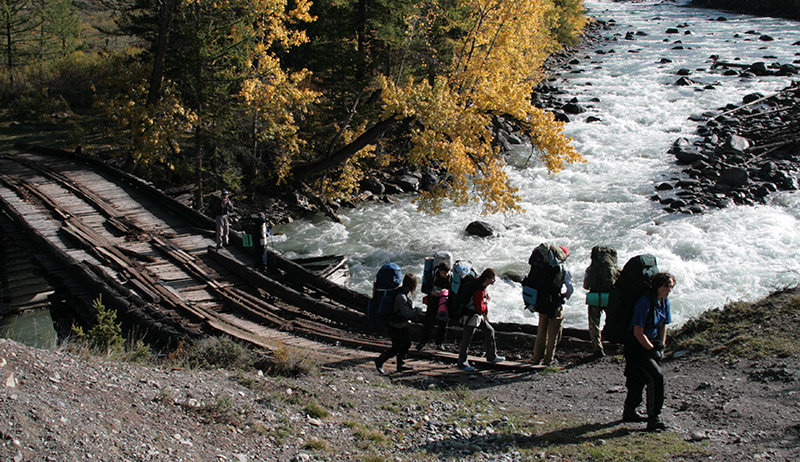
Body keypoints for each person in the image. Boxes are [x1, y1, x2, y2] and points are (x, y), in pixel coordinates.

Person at [623, 272, 675, 432]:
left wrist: (661, 346)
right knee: (655, 377)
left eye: (671, 287)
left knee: (639, 378)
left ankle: (630, 412)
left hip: (650, 345)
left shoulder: (664, 302)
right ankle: (654, 418)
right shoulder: (644, 302)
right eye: (666, 286)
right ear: (658, 286)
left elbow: (663, 325)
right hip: (637, 346)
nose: (669, 290)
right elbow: (638, 332)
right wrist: (651, 349)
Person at [530, 245, 573, 366]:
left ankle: (536, 357)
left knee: (541, 330)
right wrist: (564, 296)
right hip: (555, 302)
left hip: (542, 301)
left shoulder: (543, 266)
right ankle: (549, 359)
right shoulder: (562, 268)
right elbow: (570, 289)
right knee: (553, 332)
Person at [457, 268, 505, 372]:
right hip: (471, 316)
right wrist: (487, 302)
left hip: (477, 316)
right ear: (487, 278)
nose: (494, 281)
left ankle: (492, 357)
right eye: (493, 278)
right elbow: (479, 307)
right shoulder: (479, 289)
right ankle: (462, 363)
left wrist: (485, 313)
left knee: (490, 331)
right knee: (467, 340)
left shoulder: (481, 286)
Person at [375, 273, 423, 374]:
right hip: (395, 325)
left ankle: (400, 364)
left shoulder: (402, 292)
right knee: (396, 346)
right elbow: (407, 313)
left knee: (406, 343)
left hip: (400, 324)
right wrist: (417, 310)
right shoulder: (401, 297)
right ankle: (380, 361)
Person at [416, 262, 451, 351]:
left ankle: (440, 343)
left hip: (445, 302)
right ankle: (423, 342)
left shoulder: (451, 277)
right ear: (439, 271)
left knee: (443, 324)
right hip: (433, 302)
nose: (445, 275)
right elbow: (424, 288)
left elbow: (455, 290)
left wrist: (445, 293)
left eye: (447, 273)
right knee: (428, 323)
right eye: (444, 273)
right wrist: (432, 292)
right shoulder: (433, 276)